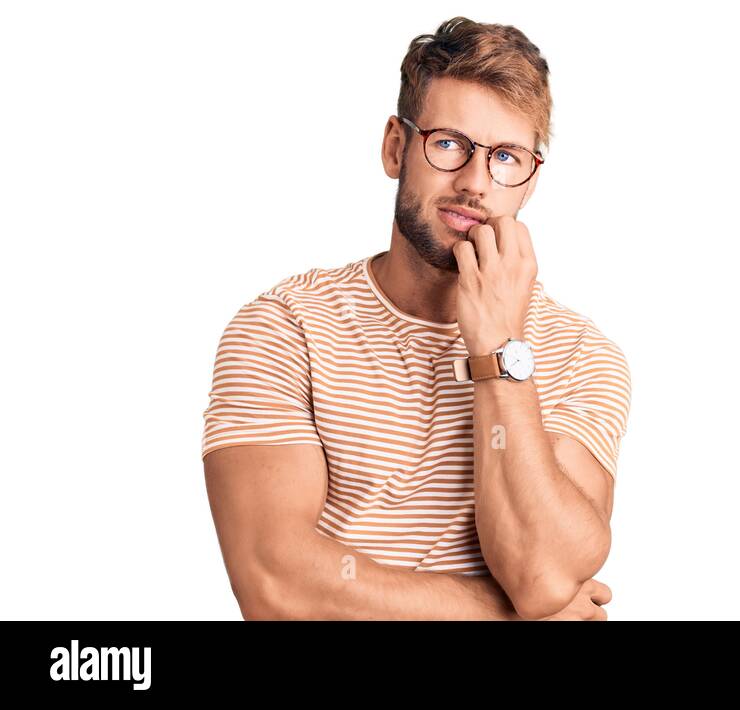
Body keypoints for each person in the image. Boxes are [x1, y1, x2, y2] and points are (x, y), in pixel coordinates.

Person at [200, 17, 631, 621]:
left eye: (505, 157)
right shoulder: (284, 328)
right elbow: (276, 582)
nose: (475, 183)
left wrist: (501, 352)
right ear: (396, 148)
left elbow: (545, 575)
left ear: (529, 183)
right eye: (450, 143)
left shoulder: (583, 355)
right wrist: (504, 616)